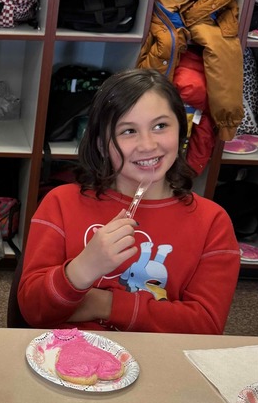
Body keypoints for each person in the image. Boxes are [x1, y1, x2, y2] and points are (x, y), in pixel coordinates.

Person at [18, 68, 240, 334]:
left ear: (182, 130)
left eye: (160, 126)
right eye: (128, 131)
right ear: (101, 143)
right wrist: (83, 268)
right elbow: (33, 312)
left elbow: (205, 327)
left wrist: (104, 303)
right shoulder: (61, 203)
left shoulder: (212, 222)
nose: (147, 145)